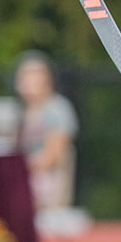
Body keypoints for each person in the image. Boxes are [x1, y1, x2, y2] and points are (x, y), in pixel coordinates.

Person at [13, 50, 78, 213]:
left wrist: (19, 166)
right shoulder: (21, 111)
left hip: (49, 185)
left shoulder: (56, 109)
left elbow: (54, 155)